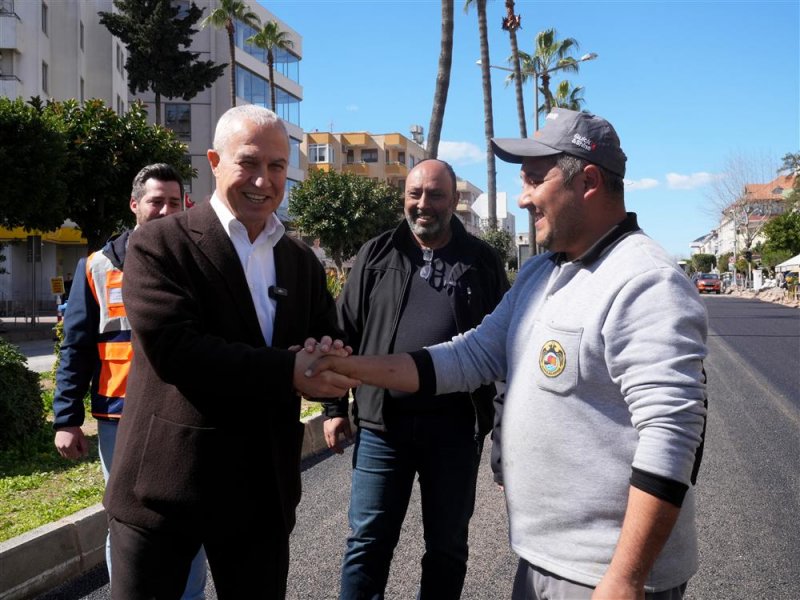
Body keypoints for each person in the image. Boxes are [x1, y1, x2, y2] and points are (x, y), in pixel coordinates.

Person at [307, 108, 709, 600]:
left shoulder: (646, 280)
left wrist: (624, 580)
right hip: (544, 560)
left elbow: (673, 436)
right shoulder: (542, 274)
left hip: (604, 574)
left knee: (445, 547)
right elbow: (467, 357)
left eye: (535, 180)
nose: (522, 197)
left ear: (586, 181)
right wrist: (346, 368)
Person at [103, 105, 358, 600]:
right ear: (215, 161)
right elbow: (178, 350)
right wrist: (291, 369)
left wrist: (328, 354)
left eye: (277, 166)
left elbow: (324, 333)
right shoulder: (158, 243)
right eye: (249, 163)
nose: (264, 180)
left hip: (262, 488)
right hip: (166, 485)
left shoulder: (300, 261)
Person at [323, 158, 509, 599]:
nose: (423, 204)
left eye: (435, 195)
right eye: (414, 194)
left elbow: (505, 349)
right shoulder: (376, 253)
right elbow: (342, 332)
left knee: (446, 547)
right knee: (367, 542)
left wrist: (506, 431)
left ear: (454, 200)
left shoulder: (482, 263)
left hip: (455, 431)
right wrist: (333, 408)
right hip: (382, 426)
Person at [53, 163, 208, 599]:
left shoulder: (199, 260)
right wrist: (66, 418)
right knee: (124, 520)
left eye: (173, 203)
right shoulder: (96, 268)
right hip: (118, 418)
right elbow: (76, 348)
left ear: (185, 206)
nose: (164, 210)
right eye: (155, 201)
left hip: (183, 412)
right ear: (135, 204)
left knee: (187, 514)